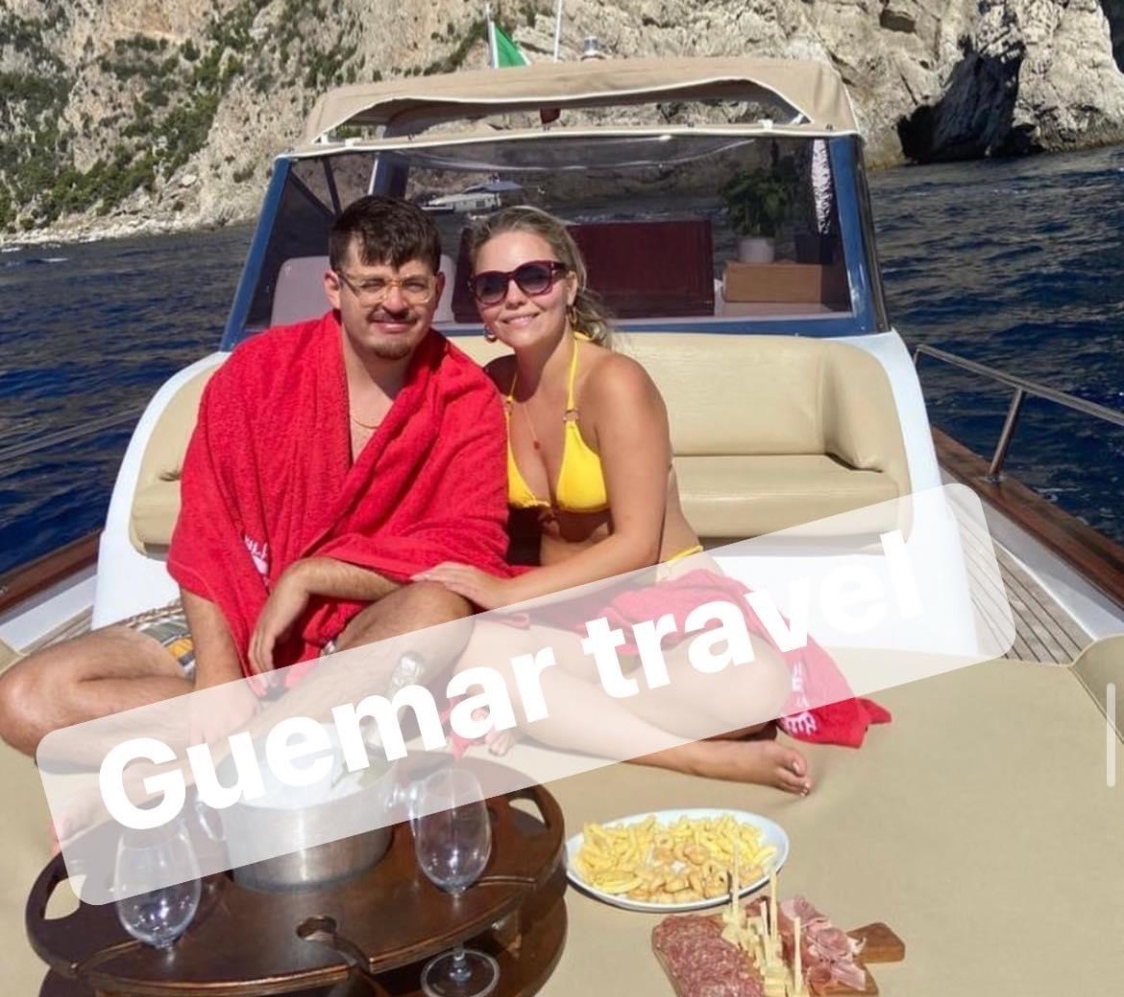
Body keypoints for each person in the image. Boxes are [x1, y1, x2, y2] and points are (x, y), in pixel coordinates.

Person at [0, 196, 510, 758]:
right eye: (371, 283)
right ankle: (288, 737)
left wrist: (313, 575)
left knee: (436, 612)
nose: (393, 302)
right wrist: (218, 674)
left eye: (413, 285)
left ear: (438, 290)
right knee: (23, 702)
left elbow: (468, 551)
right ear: (334, 287)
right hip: (238, 607)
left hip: (360, 629)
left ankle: (231, 755)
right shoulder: (257, 374)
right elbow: (207, 527)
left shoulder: (466, 398)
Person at [421, 206, 888, 794]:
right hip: (568, 617)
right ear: (480, 307)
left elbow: (638, 546)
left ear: (570, 285)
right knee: (474, 652)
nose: (515, 297)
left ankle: (553, 714)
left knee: (753, 682)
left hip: (663, 604)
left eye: (534, 277)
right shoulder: (493, 389)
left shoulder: (615, 383)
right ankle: (692, 753)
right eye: (492, 286)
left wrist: (507, 593)